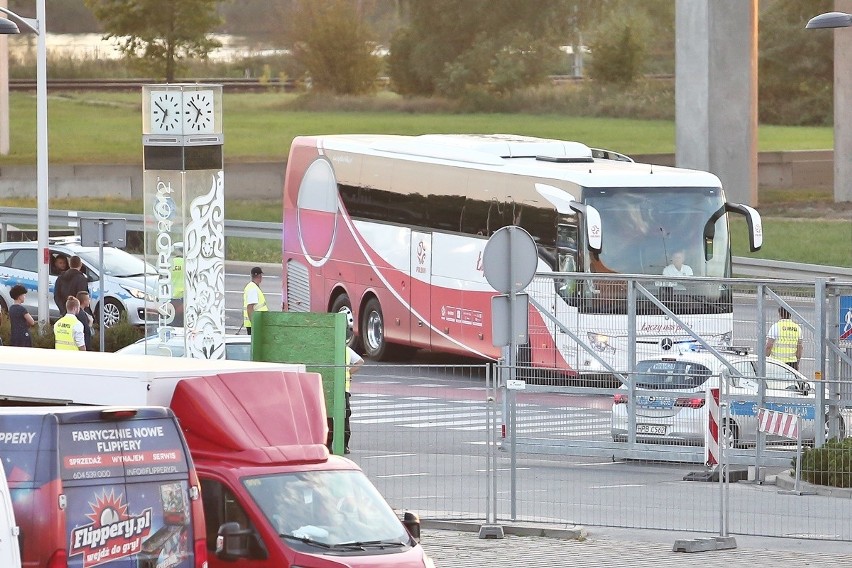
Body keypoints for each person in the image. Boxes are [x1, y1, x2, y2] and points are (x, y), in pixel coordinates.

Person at [343, 345, 364, 454]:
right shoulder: (346, 349)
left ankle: (329, 443)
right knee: (345, 416)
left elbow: (360, 361)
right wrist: (349, 372)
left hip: (337, 387)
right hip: (344, 388)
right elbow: (360, 361)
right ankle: (344, 445)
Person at [242, 266, 268, 335]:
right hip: (255, 324)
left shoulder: (253, 286)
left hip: (256, 323)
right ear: (259, 276)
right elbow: (250, 307)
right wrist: (254, 324)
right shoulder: (252, 288)